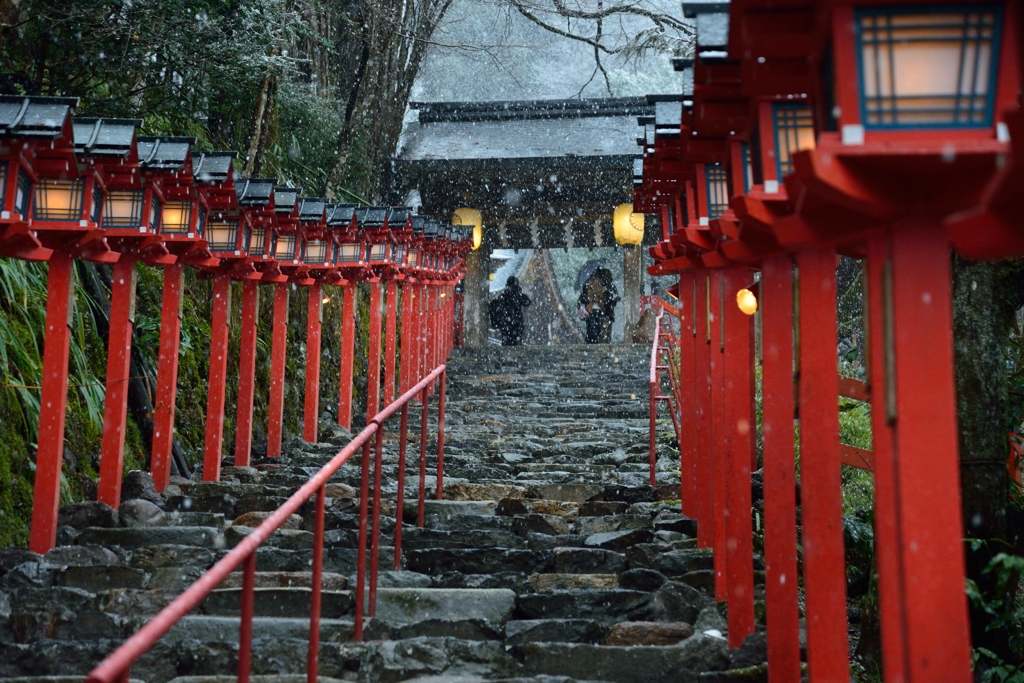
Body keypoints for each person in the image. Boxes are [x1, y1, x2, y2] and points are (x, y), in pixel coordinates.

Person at [577, 268, 620, 343]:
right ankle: (596, 347)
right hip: (600, 313)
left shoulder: (591, 284)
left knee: (594, 334)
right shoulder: (603, 285)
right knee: (598, 334)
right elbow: (612, 299)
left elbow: (583, 299)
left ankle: (593, 347)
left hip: (597, 313)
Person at [489, 276, 531, 346]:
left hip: (506, 326)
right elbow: (527, 302)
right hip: (515, 326)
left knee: (507, 344)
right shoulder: (516, 297)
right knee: (516, 345)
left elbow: (527, 301)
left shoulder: (503, 297)